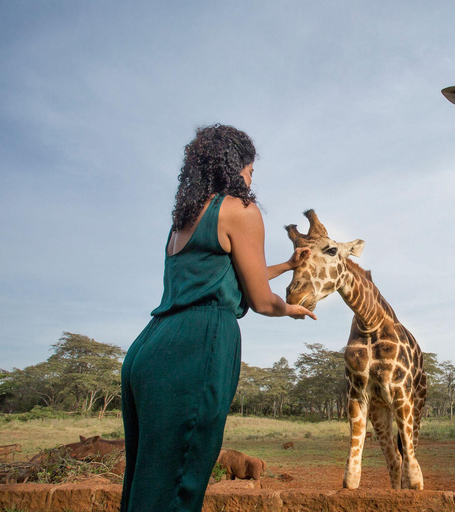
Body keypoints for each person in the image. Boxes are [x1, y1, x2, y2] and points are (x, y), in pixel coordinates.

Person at [119, 124, 316, 512]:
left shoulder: (183, 222)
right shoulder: (240, 209)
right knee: (180, 484)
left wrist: (286, 264)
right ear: (235, 165)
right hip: (197, 345)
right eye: (250, 170)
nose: (251, 177)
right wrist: (289, 308)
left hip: (152, 346)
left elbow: (227, 274)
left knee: (149, 481)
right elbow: (260, 300)